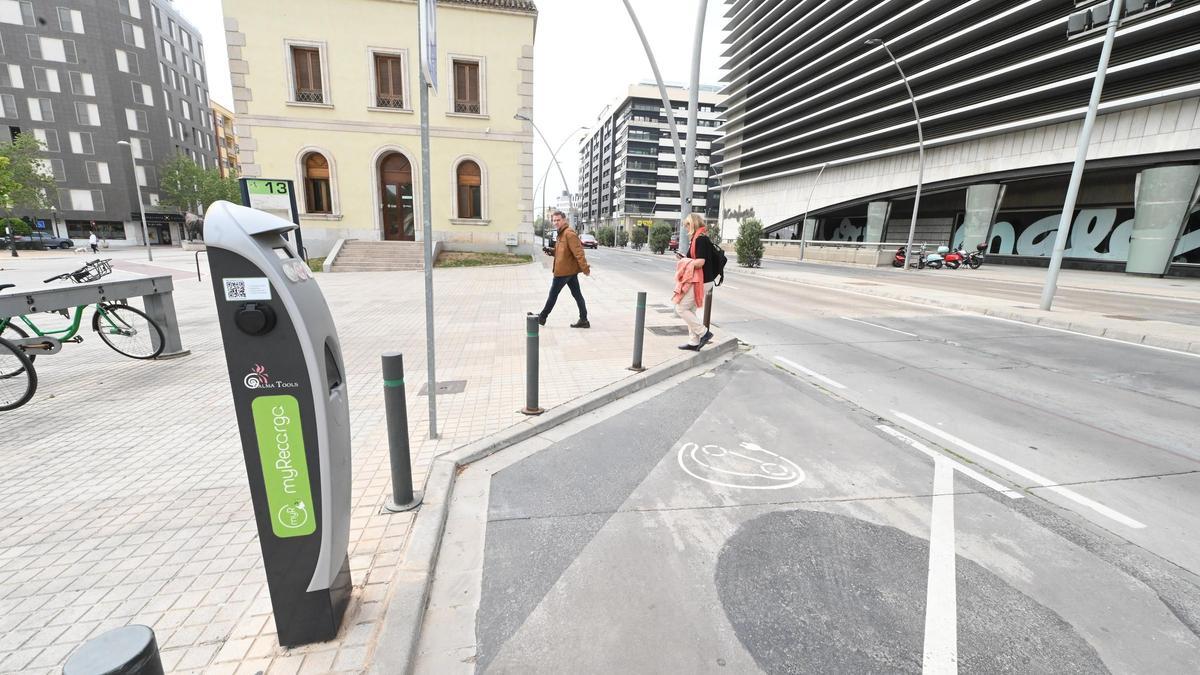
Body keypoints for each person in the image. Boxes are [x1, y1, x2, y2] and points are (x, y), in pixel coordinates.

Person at [534, 210, 590, 328]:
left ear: (564, 220)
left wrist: (585, 268)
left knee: (553, 294)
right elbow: (563, 252)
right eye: (554, 220)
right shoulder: (561, 233)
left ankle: (542, 317)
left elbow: (579, 252)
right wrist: (551, 251)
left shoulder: (569, 234)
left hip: (564, 272)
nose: (556, 222)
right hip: (569, 271)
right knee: (577, 295)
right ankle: (584, 319)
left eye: (558, 220)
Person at [673, 213, 718, 351]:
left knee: (681, 308)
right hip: (700, 279)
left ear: (692, 224)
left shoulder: (701, 239)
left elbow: (700, 262)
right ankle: (693, 342)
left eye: (687, 225)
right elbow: (692, 258)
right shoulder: (696, 239)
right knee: (690, 310)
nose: (686, 228)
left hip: (702, 280)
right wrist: (683, 258)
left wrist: (686, 261)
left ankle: (704, 333)